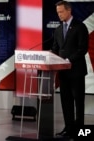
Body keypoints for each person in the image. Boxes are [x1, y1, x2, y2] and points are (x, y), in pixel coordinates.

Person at [51, 1, 89, 137]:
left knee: (78, 102)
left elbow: (82, 49)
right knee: (66, 102)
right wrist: (50, 58)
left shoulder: (80, 27)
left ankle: (79, 131)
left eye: (61, 12)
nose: (59, 15)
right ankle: (68, 128)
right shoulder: (58, 30)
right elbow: (55, 49)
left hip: (76, 71)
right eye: (57, 12)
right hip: (63, 73)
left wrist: (68, 60)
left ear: (69, 10)